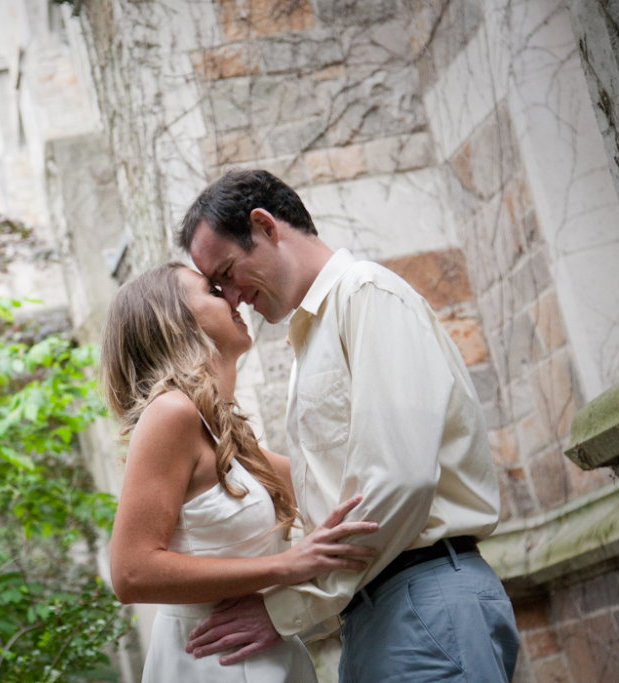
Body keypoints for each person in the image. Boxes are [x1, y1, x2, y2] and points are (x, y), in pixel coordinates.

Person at [176, 169, 520, 683]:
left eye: (227, 272)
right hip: (374, 611)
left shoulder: (367, 295)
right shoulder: (310, 338)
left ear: (266, 226)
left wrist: (285, 608)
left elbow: (398, 481)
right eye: (217, 287)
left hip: (422, 599)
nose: (230, 297)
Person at [100, 262, 380, 683]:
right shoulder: (171, 413)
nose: (234, 296)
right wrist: (286, 567)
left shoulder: (224, 433)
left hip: (266, 654)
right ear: (174, 319)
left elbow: (335, 486)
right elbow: (131, 572)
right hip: (215, 662)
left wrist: (323, 354)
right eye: (214, 290)